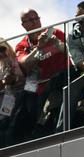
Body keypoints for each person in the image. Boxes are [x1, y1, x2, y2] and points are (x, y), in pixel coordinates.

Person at [10, 8, 69, 145]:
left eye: (37, 18)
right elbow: (25, 65)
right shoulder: (22, 45)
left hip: (60, 83)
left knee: (50, 117)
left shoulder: (54, 33)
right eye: (31, 20)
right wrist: (39, 47)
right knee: (26, 116)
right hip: (36, 89)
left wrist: (57, 44)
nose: (36, 22)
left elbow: (69, 51)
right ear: (23, 24)